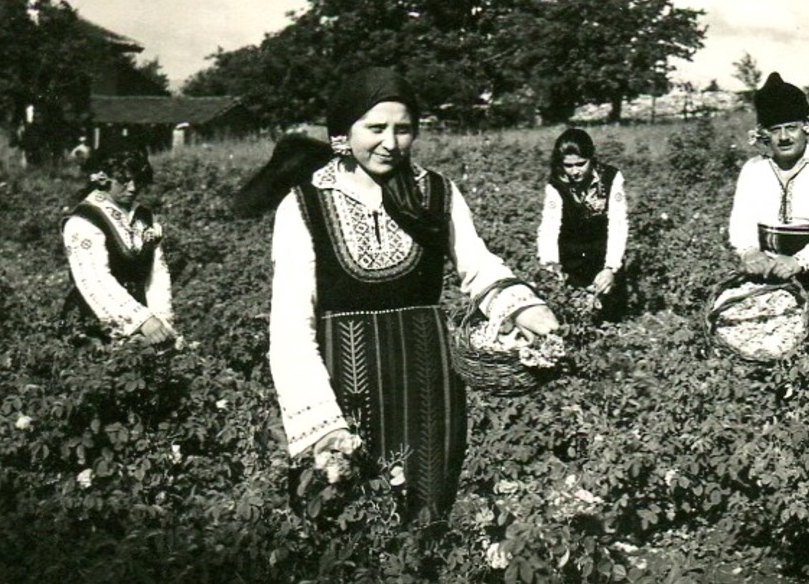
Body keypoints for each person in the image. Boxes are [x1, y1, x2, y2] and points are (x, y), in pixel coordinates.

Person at [234, 67, 560, 524]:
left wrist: (527, 309)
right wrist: (322, 422)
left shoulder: (436, 193)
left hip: (428, 381)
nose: (390, 142)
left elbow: (477, 264)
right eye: (376, 128)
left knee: (427, 510)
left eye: (403, 129)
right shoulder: (306, 203)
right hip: (345, 382)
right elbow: (291, 323)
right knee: (345, 512)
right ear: (344, 132)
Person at [727, 72, 809, 351]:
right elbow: (742, 218)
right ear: (764, 133)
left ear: (807, 126)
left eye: (791, 128)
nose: (784, 137)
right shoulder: (754, 170)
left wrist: (800, 261)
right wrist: (750, 251)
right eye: (775, 130)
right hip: (771, 274)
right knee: (769, 347)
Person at [62, 144, 178, 347]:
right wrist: (141, 320)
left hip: (145, 320)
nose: (132, 188)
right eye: (123, 181)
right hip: (96, 321)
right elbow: (94, 279)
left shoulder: (144, 216)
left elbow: (157, 272)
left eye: (138, 180)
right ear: (103, 179)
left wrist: (161, 321)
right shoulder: (84, 220)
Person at [537, 127, 629, 318]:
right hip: (571, 259)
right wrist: (551, 266)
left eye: (581, 164)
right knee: (573, 315)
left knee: (609, 317)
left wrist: (611, 267)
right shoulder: (556, 184)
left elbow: (618, 224)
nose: (574, 171)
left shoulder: (611, 178)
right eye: (568, 166)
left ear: (591, 158)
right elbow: (549, 227)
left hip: (603, 255)